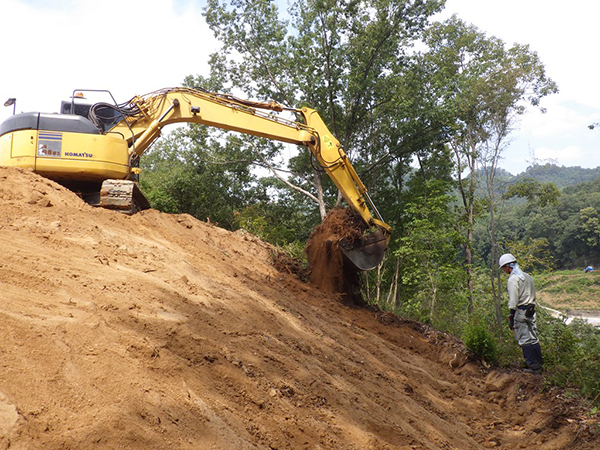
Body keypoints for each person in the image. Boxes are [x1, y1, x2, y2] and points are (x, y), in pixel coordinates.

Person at [499, 253, 543, 375]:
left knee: (524, 339)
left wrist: (511, 315)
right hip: (531, 310)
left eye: (504, 268)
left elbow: (513, 300)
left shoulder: (513, 279)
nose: (504, 271)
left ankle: (533, 367)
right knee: (533, 338)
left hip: (521, 311)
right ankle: (539, 363)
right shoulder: (528, 277)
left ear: (508, 266)